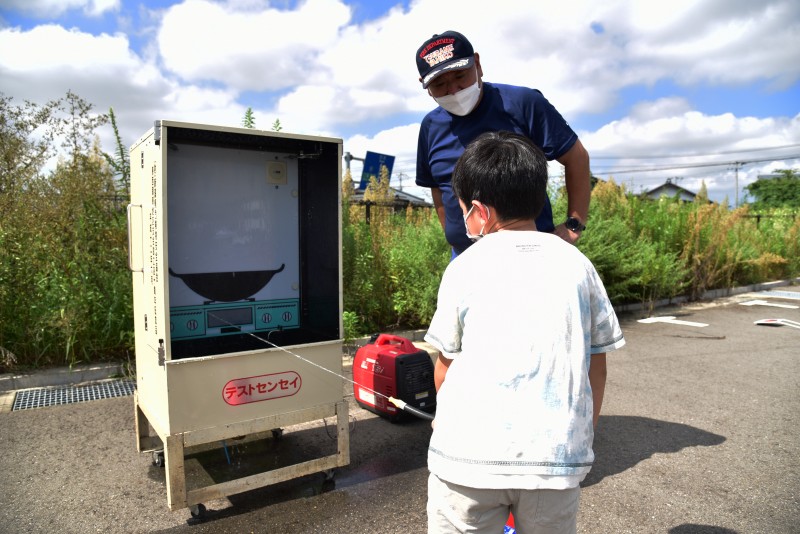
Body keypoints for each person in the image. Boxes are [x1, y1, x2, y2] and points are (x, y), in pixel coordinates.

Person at [424, 131, 625, 534]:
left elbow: (445, 367)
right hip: (555, 464)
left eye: (462, 210)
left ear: (478, 212)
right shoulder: (578, 265)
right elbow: (596, 367)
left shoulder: (464, 267)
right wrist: (582, 433)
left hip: (466, 461)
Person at [415, 30, 591, 257]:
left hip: (530, 253)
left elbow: (576, 157)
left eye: (460, 76)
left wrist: (574, 224)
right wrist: (453, 236)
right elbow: (438, 188)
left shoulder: (523, 104)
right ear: (426, 87)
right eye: (440, 84)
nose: (454, 90)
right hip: (467, 256)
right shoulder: (430, 127)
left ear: (477, 64)